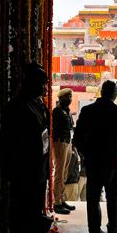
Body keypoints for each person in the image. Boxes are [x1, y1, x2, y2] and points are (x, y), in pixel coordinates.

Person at [0, 63, 61, 233]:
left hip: (38, 171)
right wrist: (11, 170)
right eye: (41, 84)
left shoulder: (38, 105)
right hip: (23, 172)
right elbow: (6, 144)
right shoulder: (16, 107)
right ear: (30, 83)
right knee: (22, 220)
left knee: (34, 217)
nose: (45, 88)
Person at [72, 80, 117, 233]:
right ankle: (113, 230)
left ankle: (94, 231)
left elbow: (78, 138)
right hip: (111, 161)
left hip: (93, 161)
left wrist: (87, 154)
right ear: (113, 94)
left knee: (93, 197)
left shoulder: (87, 110)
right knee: (113, 196)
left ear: (102, 92)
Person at [51, 87, 76, 216]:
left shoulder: (67, 111)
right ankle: (56, 202)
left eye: (71, 97)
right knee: (59, 173)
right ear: (61, 98)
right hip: (59, 142)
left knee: (64, 173)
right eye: (68, 97)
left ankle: (62, 199)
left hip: (67, 142)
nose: (70, 99)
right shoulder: (57, 111)